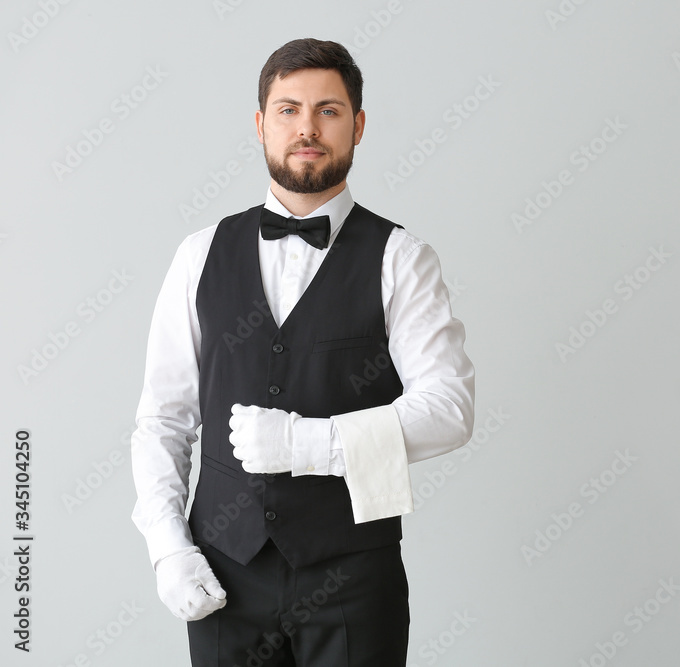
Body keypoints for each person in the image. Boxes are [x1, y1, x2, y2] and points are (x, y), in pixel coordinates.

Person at [129, 37, 475, 667]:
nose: (307, 128)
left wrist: (308, 445)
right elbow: (163, 420)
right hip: (223, 572)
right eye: (288, 110)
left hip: (354, 579)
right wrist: (167, 547)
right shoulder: (198, 255)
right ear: (261, 124)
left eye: (329, 110)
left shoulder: (403, 258)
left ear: (359, 125)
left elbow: (450, 409)